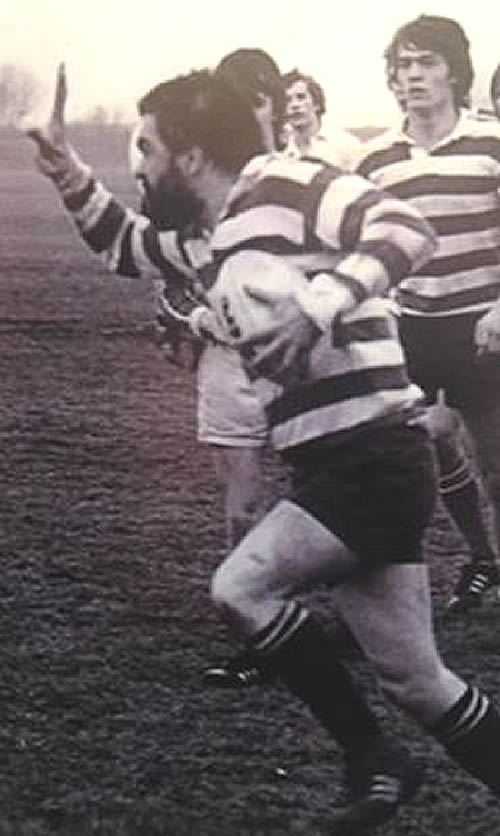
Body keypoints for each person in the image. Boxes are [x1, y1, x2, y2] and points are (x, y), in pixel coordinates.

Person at [30, 64, 500, 832]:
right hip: (337, 464)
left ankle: (374, 759)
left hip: (374, 457)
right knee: (419, 682)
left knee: (241, 589)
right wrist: (62, 163)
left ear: (189, 155)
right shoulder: (211, 235)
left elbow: (405, 229)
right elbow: (123, 244)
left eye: (146, 149)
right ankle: (395, 760)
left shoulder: (288, 181)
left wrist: (321, 304)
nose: (138, 167)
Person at [357, 14, 500, 615]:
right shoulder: (375, 159)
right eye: (403, 65)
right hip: (409, 330)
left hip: (483, 329)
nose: (412, 76)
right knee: (414, 455)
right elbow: (363, 246)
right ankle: (480, 559)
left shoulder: (491, 142)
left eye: (426, 63)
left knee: (496, 466)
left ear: (454, 72)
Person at [281, 68, 361, 170]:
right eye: (287, 100)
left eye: (301, 97)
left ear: (316, 104)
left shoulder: (344, 144)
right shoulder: (282, 151)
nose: (294, 105)